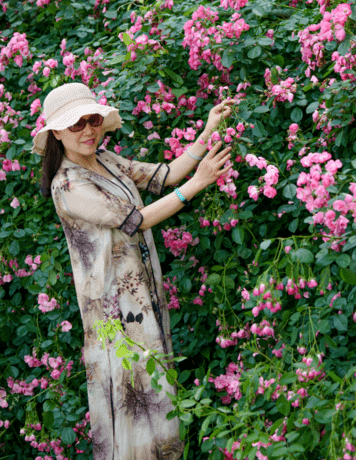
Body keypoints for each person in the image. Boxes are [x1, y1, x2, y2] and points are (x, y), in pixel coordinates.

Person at [32, 82, 234, 460]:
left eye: (92, 120)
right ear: (57, 132)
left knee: (155, 384)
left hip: (142, 293)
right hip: (112, 305)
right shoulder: (69, 184)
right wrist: (200, 182)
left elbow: (166, 175)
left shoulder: (106, 160)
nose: (89, 130)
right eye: (76, 125)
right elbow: (137, 220)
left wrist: (207, 131)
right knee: (133, 389)